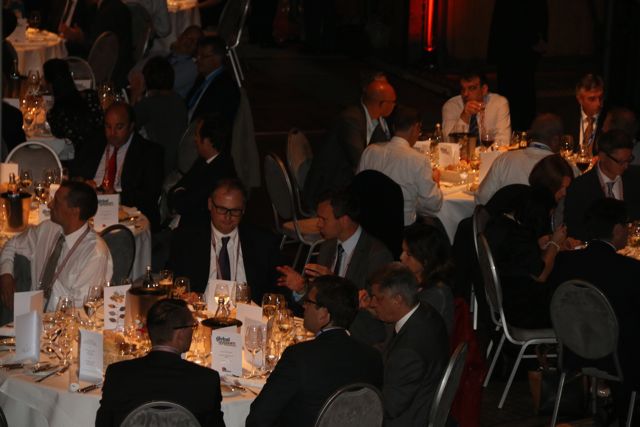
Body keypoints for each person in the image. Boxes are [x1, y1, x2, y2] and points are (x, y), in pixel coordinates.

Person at [246, 275, 383, 427]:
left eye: (309, 302)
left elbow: (258, 417)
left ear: (324, 314)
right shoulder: (373, 358)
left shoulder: (299, 356)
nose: (304, 306)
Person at [548, 198, 640, 425]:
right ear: (617, 229)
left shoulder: (564, 262)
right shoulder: (630, 270)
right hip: (619, 359)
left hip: (573, 350)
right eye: (626, 226)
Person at [276, 190, 393, 345]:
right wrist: (302, 288)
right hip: (325, 331)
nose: (318, 224)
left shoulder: (376, 255)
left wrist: (335, 284)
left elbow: (376, 312)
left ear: (344, 220)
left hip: (357, 337)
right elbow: (319, 301)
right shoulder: (328, 245)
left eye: (323, 219)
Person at [96, 298, 225, 427]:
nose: (193, 331)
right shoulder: (206, 380)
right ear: (180, 334)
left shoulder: (117, 374)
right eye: (192, 326)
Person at [0, 181, 113, 312]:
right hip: (30, 313)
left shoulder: (95, 254)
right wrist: (6, 274)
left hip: (64, 320)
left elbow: (80, 309)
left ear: (74, 211)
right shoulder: (47, 229)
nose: (49, 205)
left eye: (57, 202)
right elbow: (11, 245)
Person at [168, 178, 283, 303]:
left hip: (247, 311)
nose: (228, 217)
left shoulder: (263, 242)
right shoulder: (186, 239)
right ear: (210, 204)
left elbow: (279, 288)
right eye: (222, 209)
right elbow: (173, 282)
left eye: (235, 211)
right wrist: (184, 296)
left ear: (243, 209)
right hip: (201, 309)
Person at [368, 263, 448, 427]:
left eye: (378, 298)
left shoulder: (408, 352)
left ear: (398, 299)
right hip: (421, 397)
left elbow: (388, 408)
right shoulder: (427, 312)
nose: (372, 303)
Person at [303, 77, 396, 207]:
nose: (394, 106)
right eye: (393, 102)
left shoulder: (374, 119)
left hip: (344, 182)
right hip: (328, 191)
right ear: (383, 104)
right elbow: (360, 161)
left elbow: (382, 151)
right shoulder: (351, 120)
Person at [72, 102, 164, 231]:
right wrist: (83, 184)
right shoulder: (93, 143)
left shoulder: (149, 152)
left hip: (125, 213)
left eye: (119, 127)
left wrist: (117, 196)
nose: (112, 133)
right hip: (89, 208)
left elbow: (149, 195)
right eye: (108, 126)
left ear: (131, 126)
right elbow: (74, 174)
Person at [484, 186, 566, 328]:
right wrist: (554, 244)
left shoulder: (500, 223)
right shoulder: (519, 238)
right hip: (522, 310)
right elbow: (541, 276)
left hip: (505, 296)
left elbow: (517, 257)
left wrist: (537, 244)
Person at [358, 104, 442, 226]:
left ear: (393, 127)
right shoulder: (418, 160)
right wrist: (435, 182)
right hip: (402, 228)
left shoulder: (370, 151)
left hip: (368, 224)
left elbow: (358, 190)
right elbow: (434, 205)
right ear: (416, 127)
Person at [564, 129, 640, 241]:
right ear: (602, 156)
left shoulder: (636, 178)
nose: (626, 166)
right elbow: (574, 228)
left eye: (629, 160)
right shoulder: (580, 187)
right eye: (620, 162)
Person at [475, 112, 563, 205]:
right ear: (555, 140)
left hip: (506, 214)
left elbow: (482, 199)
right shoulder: (563, 168)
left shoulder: (504, 159)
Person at [168, 113, 237, 224]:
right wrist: (179, 193)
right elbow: (176, 190)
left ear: (207, 141)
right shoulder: (203, 160)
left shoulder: (220, 171)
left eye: (197, 135)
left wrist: (180, 193)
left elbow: (184, 204)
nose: (195, 139)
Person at [132, 55, 188, 177]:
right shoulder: (179, 100)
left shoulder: (149, 104)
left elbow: (127, 124)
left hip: (158, 166)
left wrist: (135, 94)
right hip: (175, 164)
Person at [60, 0, 133, 87]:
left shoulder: (110, 11)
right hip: (115, 70)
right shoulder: (111, 6)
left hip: (107, 75)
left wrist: (79, 37)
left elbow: (97, 50)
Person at [400, 223, 454, 335]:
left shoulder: (436, 294)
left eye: (408, 254)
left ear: (425, 260)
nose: (401, 257)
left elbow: (411, 329)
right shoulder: (412, 281)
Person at [43, 58, 103, 152]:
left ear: (50, 85)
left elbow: (60, 138)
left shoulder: (55, 115)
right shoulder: (91, 96)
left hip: (81, 157)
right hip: (102, 150)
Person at [129, 25, 203, 100]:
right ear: (180, 36)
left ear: (197, 48)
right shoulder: (159, 54)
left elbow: (165, 84)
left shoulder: (193, 68)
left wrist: (139, 83)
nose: (190, 42)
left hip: (163, 103)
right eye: (188, 36)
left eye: (195, 41)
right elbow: (133, 72)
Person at [441, 72, 511, 147]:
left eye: (471, 88)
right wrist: (464, 117)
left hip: (490, 154)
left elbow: (503, 142)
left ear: (484, 89)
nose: (465, 94)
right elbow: (448, 143)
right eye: (463, 89)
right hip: (461, 154)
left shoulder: (498, 103)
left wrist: (481, 152)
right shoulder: (451, 106)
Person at [186, 35, 239, 126]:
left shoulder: (225, 87)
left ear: (217, 59)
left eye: (203, 56)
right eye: (197, 56)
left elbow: (215, 121)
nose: (197, 60)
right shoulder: (203, 78)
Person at [572, 74, 605, 153]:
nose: (598, 103)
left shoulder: (608, 118)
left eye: (601, 98)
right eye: (592, 99)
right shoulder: (568, 116)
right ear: (580, 99)